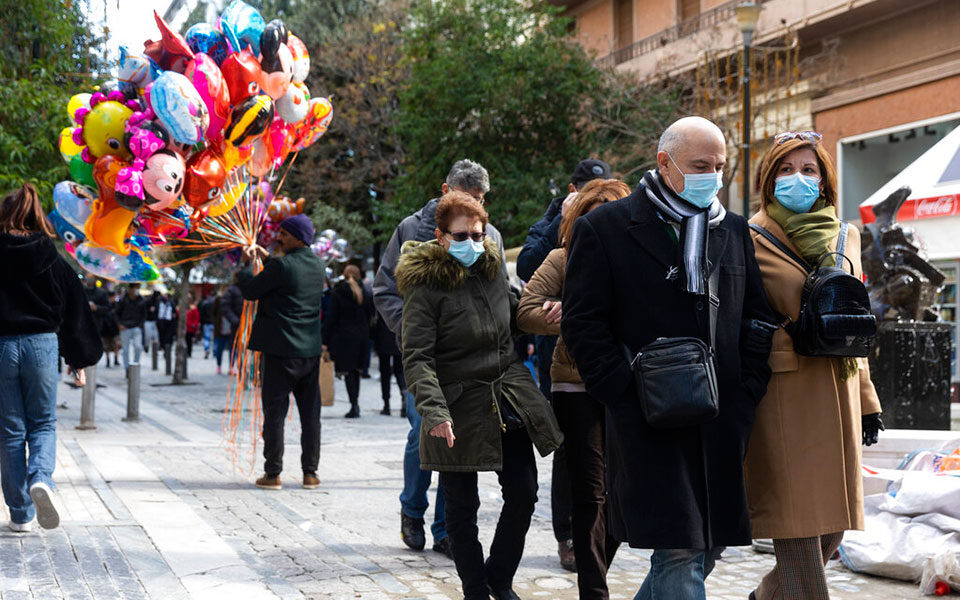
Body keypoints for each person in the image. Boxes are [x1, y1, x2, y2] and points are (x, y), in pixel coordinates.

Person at [562, 117, 776, 600]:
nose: (713, 176)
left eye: (720, 166)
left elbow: (757, 319)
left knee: (708, 547)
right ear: (665, 162)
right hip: (651, 418)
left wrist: (747, 392)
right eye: (701, 165)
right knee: (678, 550)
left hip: (722, 419)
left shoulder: (732, 230)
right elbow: (582, 324)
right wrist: (623, 393)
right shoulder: (606, 229)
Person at [397, 191, 563, 600]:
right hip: (456, 404)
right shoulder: (425, 286)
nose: (472, 242)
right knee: (460, 506)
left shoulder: (491, 270)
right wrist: (434, 411)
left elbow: (513, 318)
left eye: (478, 233)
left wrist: (545, 313)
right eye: (461, 235)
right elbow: (417, 357)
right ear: (440, 237)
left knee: (523, 492)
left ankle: (499, 577)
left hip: (508, 396)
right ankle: (474, 587)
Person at [744, 131, 884, 600]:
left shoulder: (848, 234)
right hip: (783, 394)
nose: (797, 179)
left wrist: (867, 401)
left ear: (824, 179)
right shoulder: (748, 235)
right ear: (768, 179)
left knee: (832, 530)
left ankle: (763, 596)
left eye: (808, 170)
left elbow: (853, 320)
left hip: (839, 389)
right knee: (798, 525)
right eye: (785, 170)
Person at [374, 159, 506, 557]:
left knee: (460, 440)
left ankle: (446, 527)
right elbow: (384, 290)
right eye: (468, 197)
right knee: (423, 433)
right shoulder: (411, 230)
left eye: (481, 199)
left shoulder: (490, 234)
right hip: (426, 359)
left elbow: (503, 291)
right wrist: (415, 330)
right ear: (446, 189)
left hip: (474, 365)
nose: (476, 206)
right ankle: (412, 510)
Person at [517, 178, 630, 600]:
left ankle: (598, 565)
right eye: (589, 217)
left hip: (626, 382)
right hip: (574, 383)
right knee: (591, 491)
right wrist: (570, 314)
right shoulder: (563, 258)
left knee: (623, 491)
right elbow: (526, 311)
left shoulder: (635, 261)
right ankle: (594, 590)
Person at [0, 182, 102, 532]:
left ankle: (20, 514)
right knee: (42, 423)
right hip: (42, 345)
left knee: (11, 429)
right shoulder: (51, 257)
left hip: (2, 347)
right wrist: (79, 357)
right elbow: (74, 306)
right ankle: (40, 478)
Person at [239, 214, 326, 491]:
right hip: (310, 351)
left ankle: (273, 473)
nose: (280, 238)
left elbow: (251, 291)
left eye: (285, 234)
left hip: (279, 351)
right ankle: (310, 473)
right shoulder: (318, 265)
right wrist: (268, 261)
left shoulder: (280, 266)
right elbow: (285, 277)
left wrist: (247, 265)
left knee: (275, 414)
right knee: (311, 415)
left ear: (298, 237)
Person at [322, 265, 374, 418]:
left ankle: (354, 405)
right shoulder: (366, 291)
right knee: (357, 371)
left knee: (348, 372)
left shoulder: (339, 292)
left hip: (344, 338)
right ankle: (355, 402)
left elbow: (331, 318)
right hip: (362, 337)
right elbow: (372, 314)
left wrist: (325, 339)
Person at [373, 313, 405, 416]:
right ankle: (405, 396)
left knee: (385, 373)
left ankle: (386, 405)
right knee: (400, 372)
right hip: (399, 334)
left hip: (383, 335)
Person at [115, 284, 146, 370]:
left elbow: (144, 315)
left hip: (136, 327)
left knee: (138, 347)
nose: (137, 290)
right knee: (125, 350)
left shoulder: (141, 300)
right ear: (131, 289)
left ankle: (135, 367)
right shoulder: (123, 299)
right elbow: (116, 313)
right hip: (125, 327)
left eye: (138, 288)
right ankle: (127, 369)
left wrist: (140, 326)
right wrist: (120, 324)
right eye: (136, 288)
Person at [211, 290, 232, 375]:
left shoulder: (232, 300)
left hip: (231, 328)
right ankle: (219, 366)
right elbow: (213, 314)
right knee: (220, 349)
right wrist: (216, 323)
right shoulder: (218, 300)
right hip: (220, 329)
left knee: (232, 349)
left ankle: (231, 367)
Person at [199, 294, 215, 359]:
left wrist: (201, 322)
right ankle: (215, 352)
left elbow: (201, 315)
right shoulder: (214, 306)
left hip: (206, 323)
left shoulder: (204, 305)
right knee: (214, 338)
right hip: (213, 323)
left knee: (206, 338)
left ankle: (207, 349)